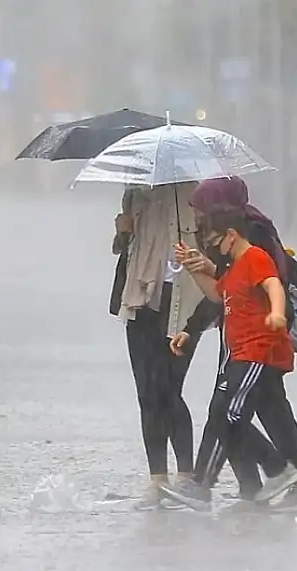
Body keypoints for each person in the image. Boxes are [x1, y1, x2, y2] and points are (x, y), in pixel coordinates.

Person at [172, 176, 297, 511]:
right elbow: (225, 288)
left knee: (227, 413)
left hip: (258, 343)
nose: (199, 220)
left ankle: (224, 481)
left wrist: (275, 315)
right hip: (245, 340)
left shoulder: (250, 236)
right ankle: (276, 484)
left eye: (202, 211)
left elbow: (264, 283)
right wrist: (193, 323)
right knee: (268, 413)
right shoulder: (237, 233)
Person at [110, 182, 205, 510]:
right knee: (147, 392)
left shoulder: (194, 193)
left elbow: (212, 248)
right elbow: (124, 248)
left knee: (168, 389)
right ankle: (157, 480)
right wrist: (123, 231)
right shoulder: (134, 191)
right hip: (139, 299)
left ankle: (186, 476)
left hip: (183, 302)